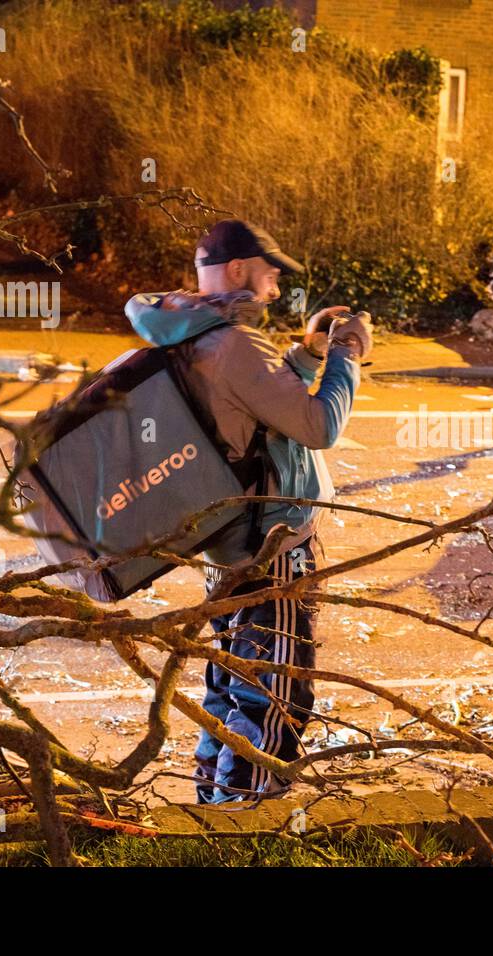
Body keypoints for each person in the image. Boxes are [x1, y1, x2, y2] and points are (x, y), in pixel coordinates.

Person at [123, 219, 372, 803]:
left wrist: (307, 354)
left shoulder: (188, 334)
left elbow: (257, 408)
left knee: (232, 688)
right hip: (271, 551)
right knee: (273, 697)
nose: (277, 287)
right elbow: (316, 426)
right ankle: (245, 823)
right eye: (270, 272)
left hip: (226, 547)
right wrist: (346, 354)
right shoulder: (233, 343)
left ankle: (213, 809)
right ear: (237, 269)